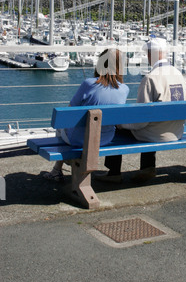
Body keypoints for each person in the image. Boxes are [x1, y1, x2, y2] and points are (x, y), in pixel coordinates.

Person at [99, 37, 186, 183]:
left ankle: (114, 173)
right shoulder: (179, 74)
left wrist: (121, 124)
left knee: (119, 127)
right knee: (152, 123)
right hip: (176, 131)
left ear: (150, 55)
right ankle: (147, 167)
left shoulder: (150, 78)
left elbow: (141, 121)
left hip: (157, 135)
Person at [44, 48, 129, 182]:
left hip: (79, 139)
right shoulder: (124, 89)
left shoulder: (88, 84)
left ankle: (57, 170)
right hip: (106, 138)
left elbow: (68, 113)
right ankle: (63, 165)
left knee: (60, 127)